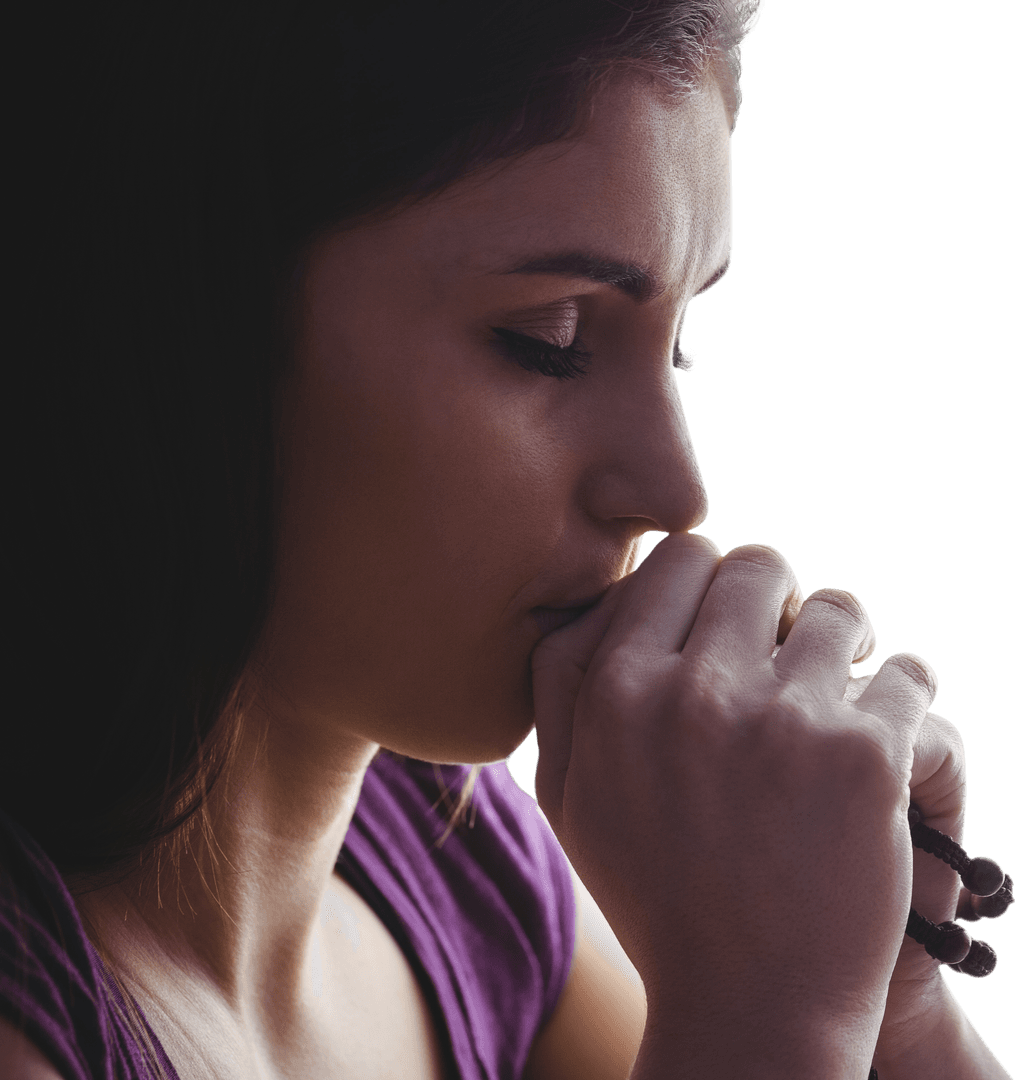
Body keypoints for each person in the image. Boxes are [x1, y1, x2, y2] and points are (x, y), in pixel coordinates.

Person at [2, 2, 1011, 1077]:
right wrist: (771, 1015)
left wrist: (883, 999)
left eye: (679, 354)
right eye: (550, 341)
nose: (675, 492)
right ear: (168, 327)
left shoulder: (466, 871)